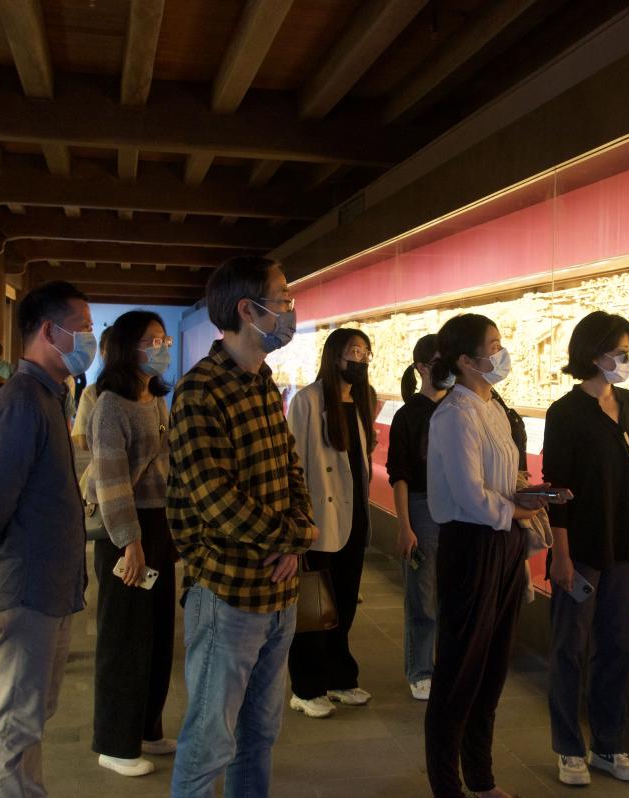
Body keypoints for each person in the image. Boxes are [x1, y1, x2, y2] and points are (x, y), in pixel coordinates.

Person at [167, 255, 317, 797]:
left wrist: (297, 535)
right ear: (246, 310)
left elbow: (291, 469)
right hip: (227, 593)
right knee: (210, 741)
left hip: (278, 591)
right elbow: (216, 501)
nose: (289, 310)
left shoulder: (263, 383)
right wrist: (295, 536)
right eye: (282, 299)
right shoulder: (200, 391)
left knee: (259, 736)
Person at [0, 281, 94, 798]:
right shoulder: (22, 400)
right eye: (82, 328)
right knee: (11, 727)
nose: (89, 338)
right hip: (26, 587)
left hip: (47, 586)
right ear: (48, 332)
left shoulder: (47, 395)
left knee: (29, 718)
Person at [424, 313, 560, 798]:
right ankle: (447, 785)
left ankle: (481, 779)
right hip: (471, 546)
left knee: (492, 667)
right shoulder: (454, 414)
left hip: (503, 542)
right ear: (466, 360)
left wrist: (527, 494)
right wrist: (517, 510)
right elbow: (468, 494)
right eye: (493, 346)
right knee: (460, 670)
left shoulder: (494, 408)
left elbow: (500, 479)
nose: (501, 354)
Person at [542, 310, 629, 786]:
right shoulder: (565, 412)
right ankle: (569, 747)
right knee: (570, 646)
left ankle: (609, 743)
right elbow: (557, 486)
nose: (626, 360)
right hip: (583, 543)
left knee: (617, 643)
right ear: (593, 354)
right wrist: (561, 553)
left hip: (626, 538)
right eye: (619, 352)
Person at [87, 312, 176, 777]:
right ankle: (115, 744)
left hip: (159, 525)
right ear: (128, 347)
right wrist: (130, 541)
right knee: (124, 638)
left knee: (157, 634)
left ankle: (147, 729)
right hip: (126, 531)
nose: (161, 348)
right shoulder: (110, 405)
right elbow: (111, 481)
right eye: (152, 340)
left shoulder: (155, 398)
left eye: (164, 339)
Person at [286, 328, 376, 717]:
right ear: (334, 355)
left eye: (366, 352)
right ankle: (306, 687)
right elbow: (294, 464)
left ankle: (341, 678)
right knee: (315, 606)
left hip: (353, 518)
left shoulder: (361, 400)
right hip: (320, 519)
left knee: (344, 602)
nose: (360, 359)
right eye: (354, 351)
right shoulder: (308, 400)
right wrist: (300, 519)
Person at [386, 334, 448, 701]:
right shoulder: (409, 414)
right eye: (440, 361)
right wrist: (405, 525)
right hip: (422, 507)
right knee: (422, 596)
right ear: (422, 367)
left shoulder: (458, 406)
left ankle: (445, 666)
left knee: (450, 595)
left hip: (456, 508)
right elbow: (400, 475)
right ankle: (420, 669)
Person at [73, 326, 112, 451]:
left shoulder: (149, 390)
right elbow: (83, 441)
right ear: (102, 353)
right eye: (112, 349)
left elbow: (162, 427)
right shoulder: (92, 392)